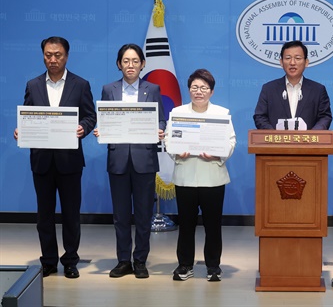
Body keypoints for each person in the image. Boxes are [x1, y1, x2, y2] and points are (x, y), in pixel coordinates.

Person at [13, 36, 96, 279]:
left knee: (71, 214)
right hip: (42, 161)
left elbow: (90, 116)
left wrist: (84, 127)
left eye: (57, 55)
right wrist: (21, 130)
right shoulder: (33, 84)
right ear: (43, 56)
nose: (53, 59)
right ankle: (48, 261)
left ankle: (70, 260)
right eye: (48, 55)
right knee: (44, 215)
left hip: (69, 161)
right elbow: (28, 116)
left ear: (66, 56)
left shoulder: (80, 84)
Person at [94, 43, 166, 279]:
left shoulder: (153, 89)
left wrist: (159, 130)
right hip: (118, 159)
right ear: (119, 64)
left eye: (135, 61)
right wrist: (100, 130)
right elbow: (103, 120)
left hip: (144, 159)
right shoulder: (108, 89)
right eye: (126, 61)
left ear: (143, 64)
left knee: (144, 214)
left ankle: (140, 260)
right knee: (120, 215)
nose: (131, 65)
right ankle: (123, 260)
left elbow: (161, 120)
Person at [165, 69, 236, 282]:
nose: (199, 92)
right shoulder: (177, 112)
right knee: (186, 225)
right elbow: (169, 139)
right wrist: (177, 151)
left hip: (212, 177)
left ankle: (213, 266)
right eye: (195, 87)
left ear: (211, 92)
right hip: (185, 176)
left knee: (213, 225)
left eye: (204, 88)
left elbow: (231, 141)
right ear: (189, 90)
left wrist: (218, 153)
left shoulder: (222, 113)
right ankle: (185, 265)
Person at [253, 40, 332, 130]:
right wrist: (276, 135)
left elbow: (325, 117)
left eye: (297, 58)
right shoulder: (269, 89)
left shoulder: (318, 90)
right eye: (288, 58)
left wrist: (311, 135)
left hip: (308, 143)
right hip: (276, 143)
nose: (292, 63)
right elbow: (260, 117)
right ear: (281, 62)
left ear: (306, 62)